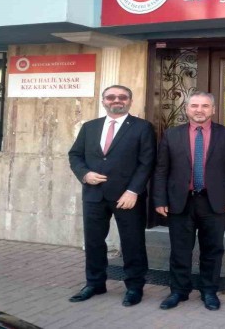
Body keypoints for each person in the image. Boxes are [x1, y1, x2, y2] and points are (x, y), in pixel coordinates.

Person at [68, 85, 156, 307]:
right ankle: (95, 283)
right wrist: (85, 174)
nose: (117, 100)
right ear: (103, 101)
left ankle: (134, 287)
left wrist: (133, 191)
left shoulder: (143, 127)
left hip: (128, 196)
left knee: (132, 242)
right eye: (111, 97)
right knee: (94, 242)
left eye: (122, 97)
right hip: (94, 194)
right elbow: (75, 155)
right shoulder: (90, 127)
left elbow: (147, 162)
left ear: (130, 101)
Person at [153, 92, 225, 311]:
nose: (199, 110)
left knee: (213, 249)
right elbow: (161, 169)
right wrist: (160, 199)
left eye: (205, 106)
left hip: (214, 201)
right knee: (180, 250)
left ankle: (209, 291)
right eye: (194, 106)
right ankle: (178, 291)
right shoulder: (171, 134)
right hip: (180, 201)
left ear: (213, 109)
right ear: (187, 109)